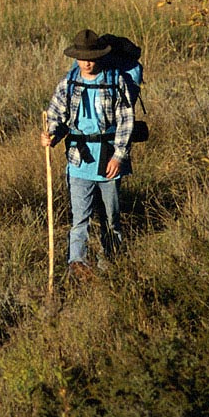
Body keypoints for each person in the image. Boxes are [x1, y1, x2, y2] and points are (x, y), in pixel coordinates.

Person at [40, 28, 136, 278]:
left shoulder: (116, 81)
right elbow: (56, 115)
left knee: (110, 218)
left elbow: (126, 121)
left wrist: (119, 156)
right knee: (80, 218)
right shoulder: (69, 82)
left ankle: (110, 263)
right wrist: (50, 135)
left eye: (91, 57)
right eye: (82, 57)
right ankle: (77, 264)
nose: (87, 62)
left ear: (99, 56)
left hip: (109, 160)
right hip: (78, 160)